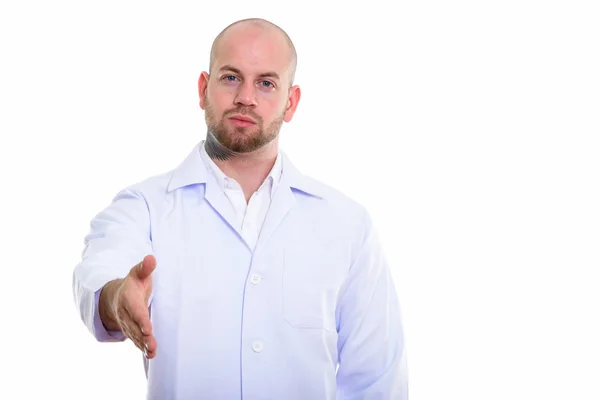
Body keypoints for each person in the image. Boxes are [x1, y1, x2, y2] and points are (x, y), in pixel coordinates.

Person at [72, 17, 408, 399]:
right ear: (203, 89)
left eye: (266, 83)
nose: (246, 97)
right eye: (231, 77)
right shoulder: (145, 206)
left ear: (291, 102)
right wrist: (117, 298)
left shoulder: (346, 225)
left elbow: (377, 379)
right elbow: (98, 271)